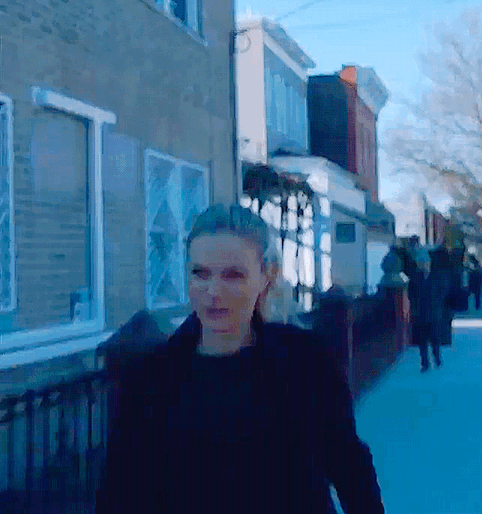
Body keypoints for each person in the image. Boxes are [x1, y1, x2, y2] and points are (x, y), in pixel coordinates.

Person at [96, 203, 385, 514]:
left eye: (233, 275)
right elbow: (121, 491)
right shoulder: (154, 379)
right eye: (200, 273)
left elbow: (348, 462)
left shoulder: (303, 361)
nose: (213, 291)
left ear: (266, 277)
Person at [409, 246, 444, 372]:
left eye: (424, 262)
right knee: (422, 341)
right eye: (420, 263)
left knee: (435, 339)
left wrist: (439, 307)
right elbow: (411, 296)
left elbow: (441, 293)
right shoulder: (415, 278)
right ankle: (424, 363)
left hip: (434, 313)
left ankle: (437, 358)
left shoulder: (436, 277)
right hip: (420, 314)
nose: (423, 265)